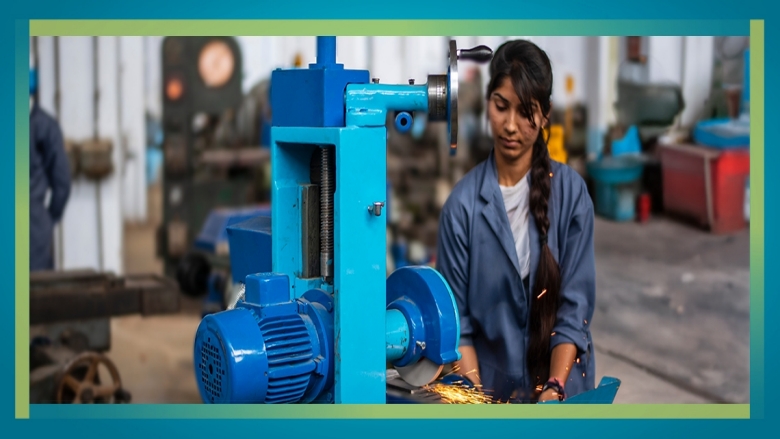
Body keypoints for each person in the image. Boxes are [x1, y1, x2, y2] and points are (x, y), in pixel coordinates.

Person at [436, 40, 596, 403]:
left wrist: (554, 388)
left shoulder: (571, 195)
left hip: (564, 391)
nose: (510, 125)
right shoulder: (462, 209)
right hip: (492, 393)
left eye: (526, 112)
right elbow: (458, 327)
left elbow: (575, 309)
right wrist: (478, 401)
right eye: (501, 107)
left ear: (545, 115)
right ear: (487, 103)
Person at [29, 68, 71, 271]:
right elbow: (62, 183)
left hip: (33, 223)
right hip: (33, 225)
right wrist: (48, 218)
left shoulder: (43, 127)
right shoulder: (45, 126)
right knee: (35, 295)